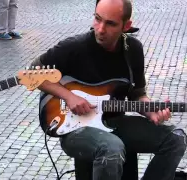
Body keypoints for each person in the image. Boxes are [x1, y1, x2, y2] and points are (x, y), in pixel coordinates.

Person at [32, 0, 187, 179]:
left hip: (113, 123)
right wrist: (68, 96)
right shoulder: (74, 47)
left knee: (175, 138)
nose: (100, 29)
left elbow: (137, 94)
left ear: (126, 25)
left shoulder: (133, 50)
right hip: (74, 129)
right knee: (111, 149)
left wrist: (149, 111)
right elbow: (31, 73)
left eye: (110, 23)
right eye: (98, 19)